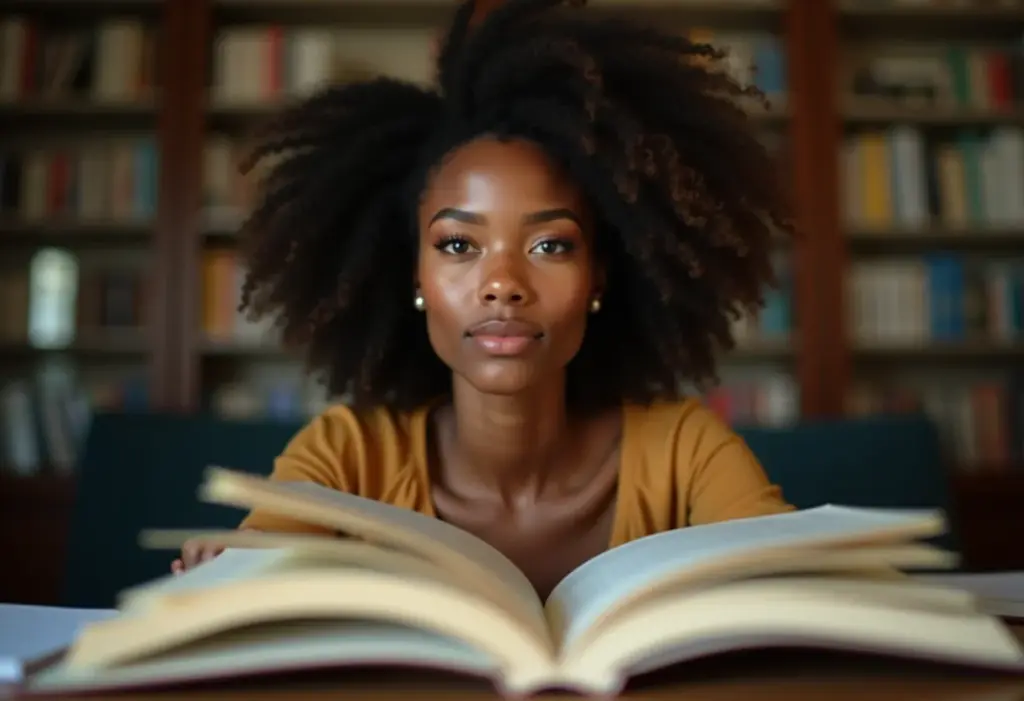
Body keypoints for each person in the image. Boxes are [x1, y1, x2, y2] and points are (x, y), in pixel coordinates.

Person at [173, 0, 796, 598]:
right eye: (457, 245)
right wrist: (230, 577)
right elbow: (257, 574)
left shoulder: (684, 450)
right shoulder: (348, 454)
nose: (503, 282)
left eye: (551, 246)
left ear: (599, 279)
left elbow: (792, 581)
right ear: (413, 277)